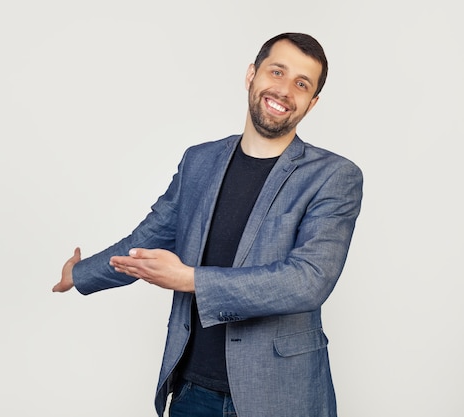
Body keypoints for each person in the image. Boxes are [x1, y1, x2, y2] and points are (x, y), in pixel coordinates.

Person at [52, 32, 363, 417]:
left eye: (301, 84)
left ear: (312, 102)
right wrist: (81, 274)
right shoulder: (199, 161)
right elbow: (149, 237)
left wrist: (190, 280)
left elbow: (308, 281)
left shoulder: (334, 176)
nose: (284, 90)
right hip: (192, 390)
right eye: (276, 72)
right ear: (251, 74)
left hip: (282, 395)